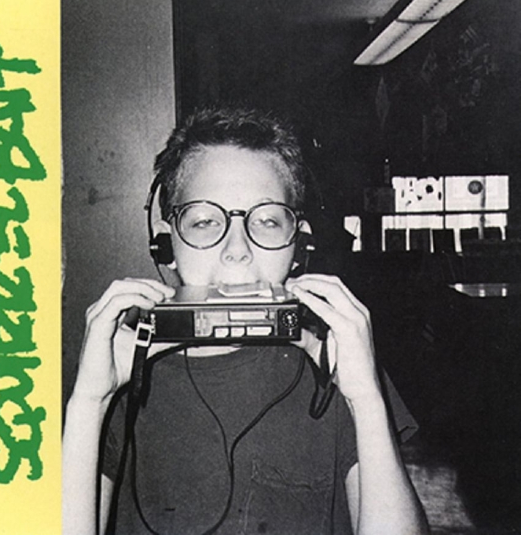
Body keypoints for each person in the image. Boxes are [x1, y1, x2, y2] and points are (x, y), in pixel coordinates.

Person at [63, 106, 429, 535]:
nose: (237, 250)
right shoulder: (121, 374)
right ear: (165, 244)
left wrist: (366, 397)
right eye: (205, 221)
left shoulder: (338, 365)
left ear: (299, 245)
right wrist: (89, 402)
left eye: (267, 220)